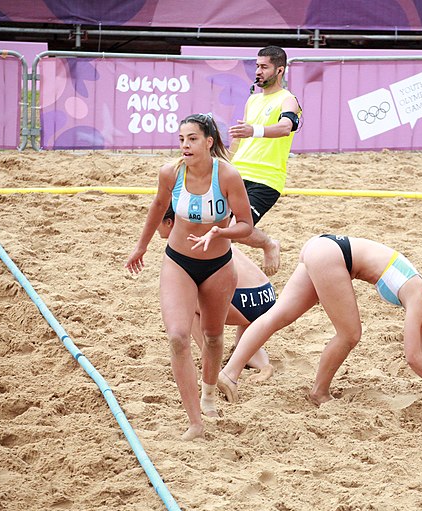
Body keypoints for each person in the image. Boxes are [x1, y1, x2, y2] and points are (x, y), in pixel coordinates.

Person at [217, 234, 422, 405]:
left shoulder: (421, 295)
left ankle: (229, 374)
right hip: (332, 256)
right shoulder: (416, 291)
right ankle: (319, 392)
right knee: (350, 334)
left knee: (276, 317)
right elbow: (412, 356)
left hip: (323, 247)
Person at [125, 113, 253, 441]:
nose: (185, 145)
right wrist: (140, 247)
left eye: (192, 139)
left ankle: (209, 393)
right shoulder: (170, 172)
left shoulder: (227, 175)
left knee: (211, 336)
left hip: (218, 264)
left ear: (209, 142)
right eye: (182, 139)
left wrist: (219, 231)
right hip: (178, 261)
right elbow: (157, 206)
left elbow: (246, 225)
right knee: (178, 337)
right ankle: (195, 421)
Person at [158, 204, 277, 381]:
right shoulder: (207, 233)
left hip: (243, 300)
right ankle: (263, 365)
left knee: (184, 305)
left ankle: (212, 361)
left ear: (169, 222)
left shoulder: (186, 242)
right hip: (267, 296)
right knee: (242, 342)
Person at [228, 45, 302, 276]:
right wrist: (222, 165)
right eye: (257, 66)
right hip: (237, 174)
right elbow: (239, 140)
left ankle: (269, 244)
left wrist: (254, 131)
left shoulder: (288, 100)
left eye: (264, 67)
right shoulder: (252, 100)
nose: (258, 71)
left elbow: (284, 127)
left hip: (266, 178)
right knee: (216, 229)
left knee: (233, 230)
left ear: (279, 70)